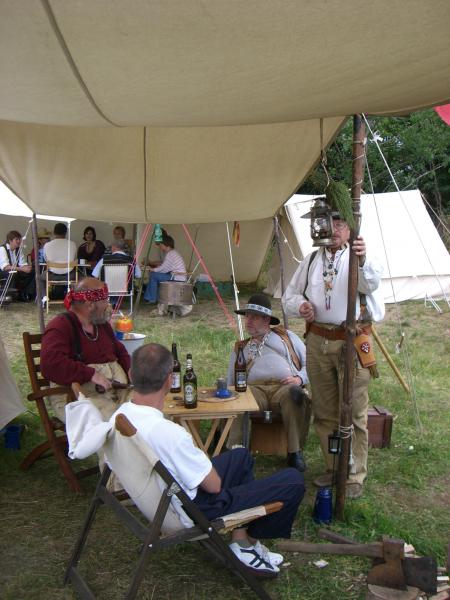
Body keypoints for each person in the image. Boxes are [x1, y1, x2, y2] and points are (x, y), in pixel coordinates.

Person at [113, 343, 305, 577]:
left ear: (131, 374)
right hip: (192, 508)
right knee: (293, 480)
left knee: (241, 456)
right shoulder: (169, 434)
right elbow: (213, 485)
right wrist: (202, 465)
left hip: (163, 495)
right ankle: (252, 539)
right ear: (169, 381)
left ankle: (241, 542)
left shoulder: (120, 417)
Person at [282, 211, 384, 499]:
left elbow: (370, 284)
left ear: (350, 229)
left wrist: (362, 260)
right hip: (317, 341)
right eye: (329, 223)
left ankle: (354, 474)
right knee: (325, 411)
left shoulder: (361, 257)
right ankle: (334, 466)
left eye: (340, 224)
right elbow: (289, 297)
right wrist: (301, 306)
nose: (334, 229)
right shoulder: (311, 260)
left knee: (353, 411)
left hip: (351, 341)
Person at [226, 293, 310, 472]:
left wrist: (299, 379)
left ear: (266, 319)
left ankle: (295, 452)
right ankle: (234, 452)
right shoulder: (241, 347)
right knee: (241, 400)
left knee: (294, 395)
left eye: (254, 317)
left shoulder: (286, 337)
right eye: (247, 316)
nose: (248, 321)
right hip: (254, 390)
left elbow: (311, 362)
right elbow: (231, 379)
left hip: (284, 387)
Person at [40, 277, 131, 423]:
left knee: (149, 411)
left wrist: (131, 370)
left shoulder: (101, 325)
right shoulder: (60, 326)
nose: (108, 305)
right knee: (119, 424)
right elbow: (51, 364)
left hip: (116, 392)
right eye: (104, 301)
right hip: (79, 398)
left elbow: (119, 351)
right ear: (90, 305)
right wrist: (90, 374)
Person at [143, 234, 187, 304]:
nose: (160, 246)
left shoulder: (170, 254)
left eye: (161, 244)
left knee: (153, 275)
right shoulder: (173, 253)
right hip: (177, 276)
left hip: (177, 278)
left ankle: (151, 299)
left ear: (166, 245)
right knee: (154, 275)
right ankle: (150, 297)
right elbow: (166, 267)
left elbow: (164, 269)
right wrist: (155, 269)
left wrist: (153, 269)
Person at [0, 230, 35, 301]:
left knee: (33, 272)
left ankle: (25, 294)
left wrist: (28, 268)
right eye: (16, 239)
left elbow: (23, 264)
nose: (19, 241)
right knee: (11, 274)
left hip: (16, 271)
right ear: (10, 241)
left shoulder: (19, 249)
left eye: (19, 239)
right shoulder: (2, 249)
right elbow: (6, 267)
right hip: (3, 273)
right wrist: (22, 269)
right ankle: (11, 296)